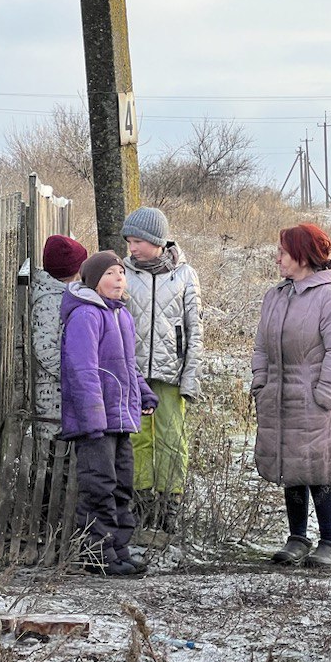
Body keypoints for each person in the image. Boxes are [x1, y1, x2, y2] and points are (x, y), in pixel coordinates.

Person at [251, 223, 331, 567]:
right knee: (290, 468)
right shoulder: (276, 295)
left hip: (314, 401)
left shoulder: (329, 296)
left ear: (303, 255)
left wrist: (324, 395)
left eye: (283, 251)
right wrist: (260, 383)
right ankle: (297, 538)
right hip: (278, 399)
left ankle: (330, 542)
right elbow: (261, 346)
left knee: (319, 471)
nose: (277, 257)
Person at [60, 251, 158, 577]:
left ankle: (118, 552)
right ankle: (97, 557)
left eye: (121, 273)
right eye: (111, 274)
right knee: (98, 488)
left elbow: (128, 367)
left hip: (119, 420)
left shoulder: (121, 316)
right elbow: (81, 369)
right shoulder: (86, 316)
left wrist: (143, 393)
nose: (119, 279)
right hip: (95, 424)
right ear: (94, 281)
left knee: (120, 487)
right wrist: (92, 415)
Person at [120, 206, 204, 538]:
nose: (132, 247)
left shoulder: (184, 275)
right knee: (138, 439)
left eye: (138, 240)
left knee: (172, 439)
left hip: (172, 374)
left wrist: (190, 378)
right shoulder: (122, 273)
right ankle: (142, 507)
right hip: (135, 375)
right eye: (129, 241)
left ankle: (170, 507)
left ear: (157, 241)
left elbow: (196, 330)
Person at [31, 234, 88, 440]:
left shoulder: (64, 296)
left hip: (64, 389)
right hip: (51, 393)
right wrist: (72, 374)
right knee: (52, 444)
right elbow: (45, 348)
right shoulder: (49, 301)